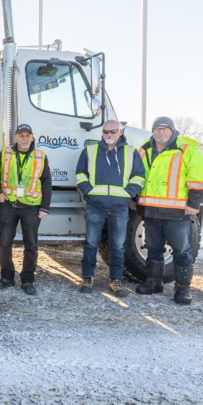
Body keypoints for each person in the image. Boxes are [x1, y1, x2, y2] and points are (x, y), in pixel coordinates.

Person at [134, 116, 203, 305]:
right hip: (150, 210)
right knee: (153, 248)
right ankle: (153, 283)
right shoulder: (144, 150)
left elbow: (198, 178)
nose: (161, 132)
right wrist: (135, 198)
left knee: (182, 251)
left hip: (176, 212)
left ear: (172, 131)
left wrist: (194, 202)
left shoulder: (186, 151)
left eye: (164, 129)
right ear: (152, 131)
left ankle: (183, 289)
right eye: (157, 129)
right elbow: (136, 175)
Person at [75, 120, 145, 297]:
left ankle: (115, 280)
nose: (109, 135)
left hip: (119, 208)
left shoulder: (131, 152)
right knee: (91, 243)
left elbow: (139, 176)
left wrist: (128, 193)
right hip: (95, 206)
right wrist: (89, 192)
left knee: (118, 246)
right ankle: (88, 278)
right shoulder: (90, 151)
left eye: (113, 132)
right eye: (106, 132)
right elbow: (80, 174)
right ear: (102, 133)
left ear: (120, 132)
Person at [0, 124, 51, 295]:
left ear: (32, 137)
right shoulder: (5, 153)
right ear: (15, 138)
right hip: (8, 205)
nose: (24, 138)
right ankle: (6, 278)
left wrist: (45, 208)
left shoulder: (40, 156)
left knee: (31, 244)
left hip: (31, 207)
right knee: (4, 243)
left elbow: (46, 182)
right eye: (21, 135)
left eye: (27, 135)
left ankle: (27, 280)